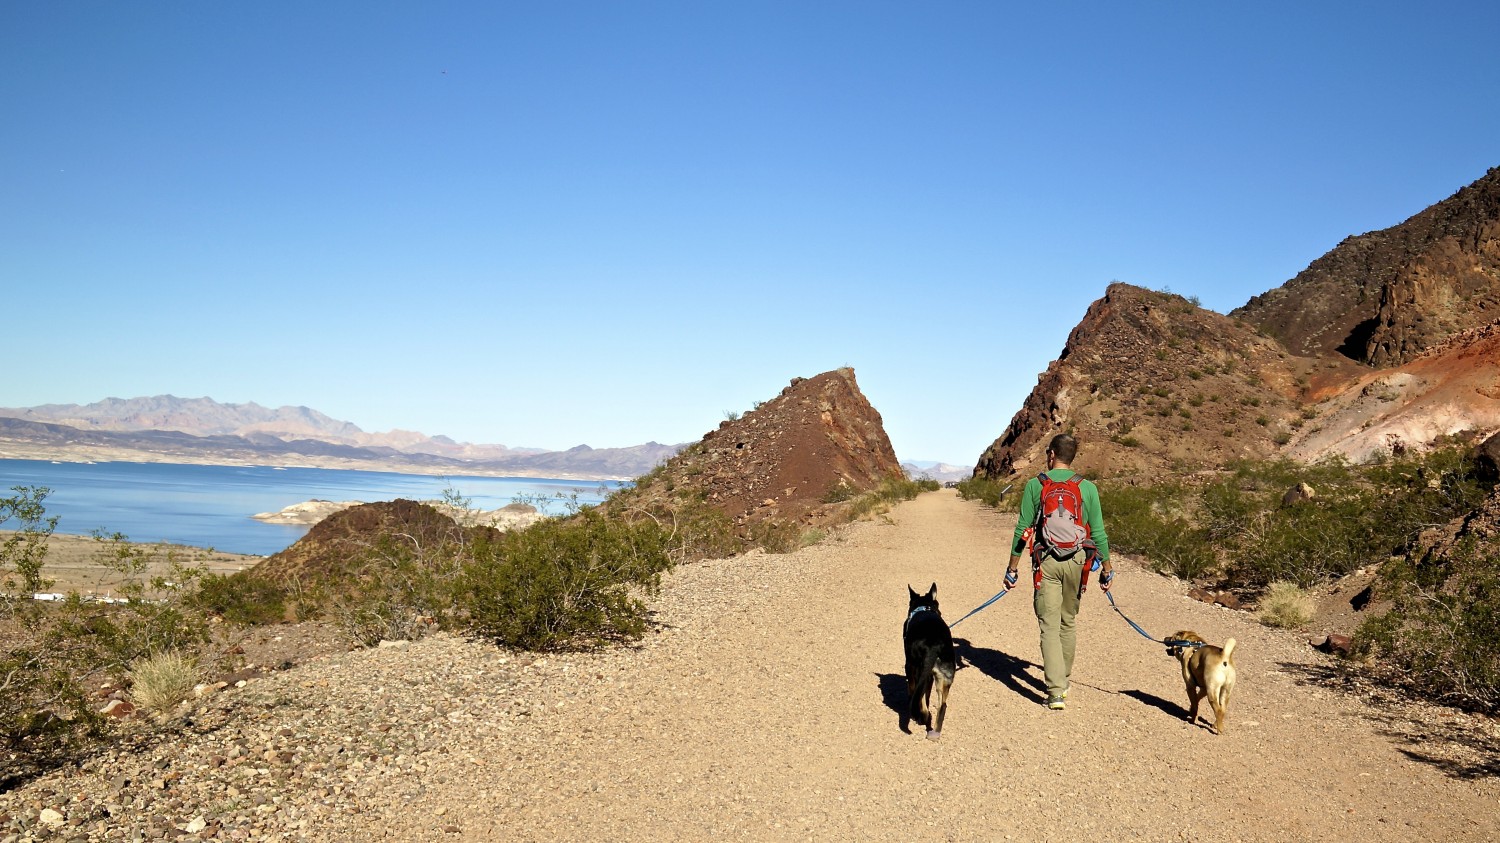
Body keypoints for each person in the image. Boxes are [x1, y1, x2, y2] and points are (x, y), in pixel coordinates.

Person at [1004, 433, 1112, 711]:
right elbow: (1098, 533)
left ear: (1052, 454)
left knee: (1049, 626)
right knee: (1068, 621)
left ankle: (1054, 692)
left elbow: (1022, 529)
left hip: (1046, 562)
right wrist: (1107, 569)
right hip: (1078, 561)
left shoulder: (1034, 485)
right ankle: (1063, 681)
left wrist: (1012, 568)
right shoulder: (1087, 487)